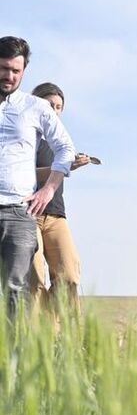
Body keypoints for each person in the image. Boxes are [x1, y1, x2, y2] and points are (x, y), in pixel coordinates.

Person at [0, 36, 76, 321]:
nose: (9, 75)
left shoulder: (36, 107)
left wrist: (48, 189)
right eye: (3, 68)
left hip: (18, 212)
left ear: (24, 71)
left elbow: (65, 148)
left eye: (15, 71)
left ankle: (12, 363)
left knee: (15, 290)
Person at [30, 82, 92, 310]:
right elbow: (17, 174)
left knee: (70, 276)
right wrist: (62, 167)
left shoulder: (59, 142)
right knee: (33, 282)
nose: (54, 111)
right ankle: (36, 341)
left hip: (56, 215)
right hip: (27, 215)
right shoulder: (25, 138)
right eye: (49, 105)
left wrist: (71, 162)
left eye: (58, 107)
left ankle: (58, 337)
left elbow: (62, 164)